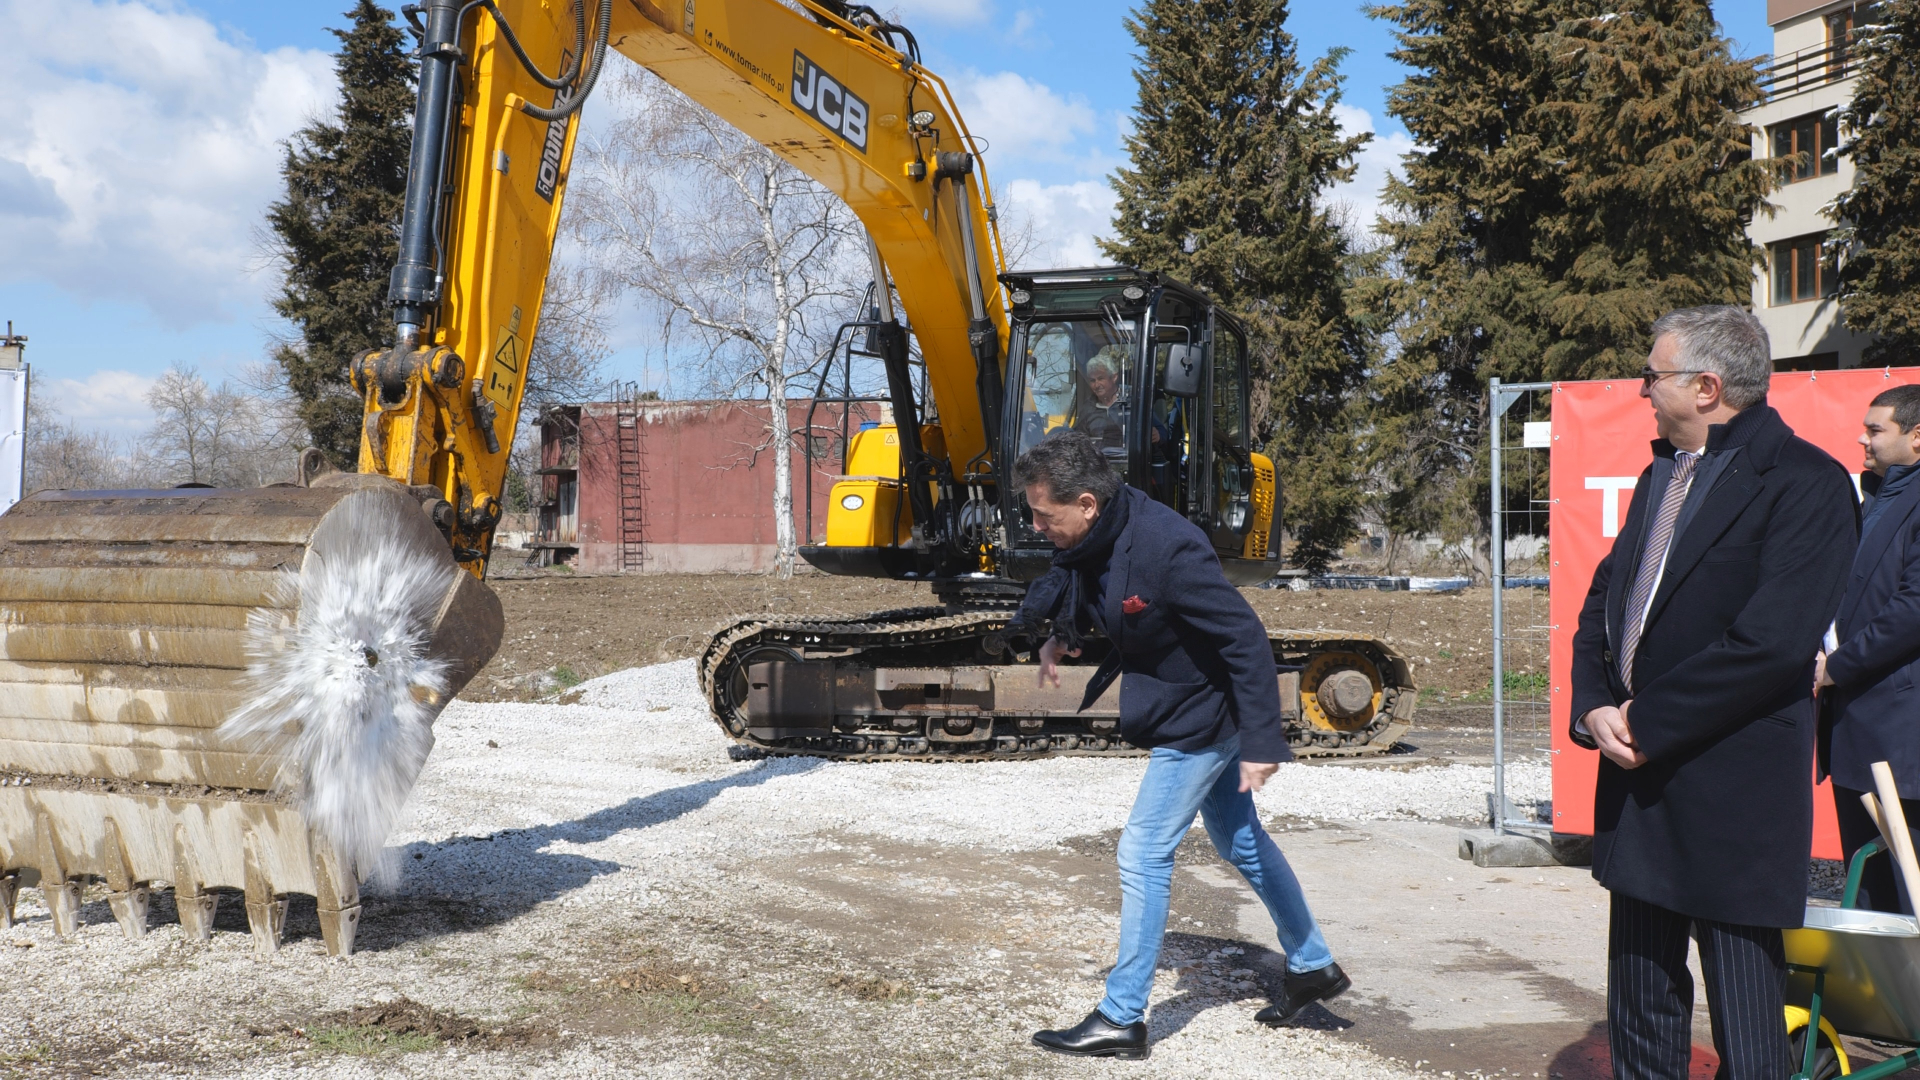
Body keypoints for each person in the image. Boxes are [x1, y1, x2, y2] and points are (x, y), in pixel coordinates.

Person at [1569, 305, 1856, 1079]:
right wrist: (1594, 707)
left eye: (1651, 375)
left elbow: (1771, 645)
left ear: (1706, 386)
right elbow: (1606, 600)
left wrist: (1643, 722)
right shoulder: (1660, 474)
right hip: (1637, 779)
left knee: (1747, 1021)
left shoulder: (1807, 485)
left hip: (1729, 788)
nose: (1640, 390)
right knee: (1640, 1003)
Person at [1011, 430, 1345, 1061]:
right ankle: (1312, 965)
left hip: (1203, 715)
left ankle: (1122, 1016)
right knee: (1239, 840)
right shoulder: (1101, 532)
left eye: (1042, 515)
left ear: (1086, 503)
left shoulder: (1167, 547)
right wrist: (1063, 635)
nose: (1035, 526)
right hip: (1189, 706)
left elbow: (1245, 639)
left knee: (1142, 850)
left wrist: (1261, 739)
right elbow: (1087, 584)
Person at [1817, 383, 1920, 913]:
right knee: (1872, 899)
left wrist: (1837, 667)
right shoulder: (1877, 496)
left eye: (1877, 430)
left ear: (1916, 435)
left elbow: (1912, 611)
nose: (1863, 439)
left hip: (1900, 739)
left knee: (1908, 898)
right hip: (1857, 731)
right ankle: (1880, 997)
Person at [1074, 351, 1128, 451]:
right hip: (1097, 462)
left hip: (1128, 461)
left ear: (1114, 377)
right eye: (1092, 381)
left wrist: (1157, 435)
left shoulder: (1131, 402)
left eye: (1100, 378)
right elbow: (1078, 441)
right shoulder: (1087, 409)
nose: (1096, 385)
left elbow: (1161, 434)